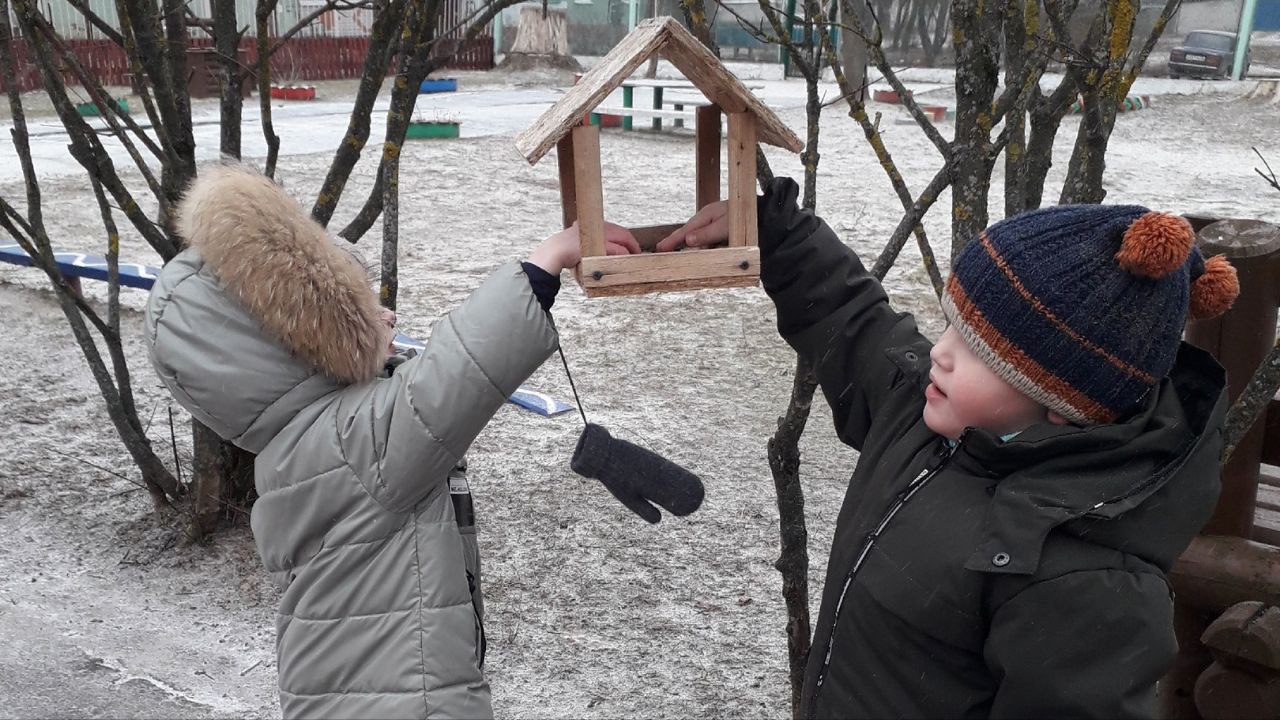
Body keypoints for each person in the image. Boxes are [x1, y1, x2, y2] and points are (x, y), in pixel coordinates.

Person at [657, 177, 1240, 718]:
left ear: (1061, 401)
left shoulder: (1086, 580)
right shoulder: (925, 414)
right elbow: (851, 316)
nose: (940, 352)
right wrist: (769, 229)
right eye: (949, 326)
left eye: (978, 351)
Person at [144, 163, 638, 719]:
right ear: (294, 346)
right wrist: (545, 262)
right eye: (351, 311)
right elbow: (451, 379)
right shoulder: (351, 445)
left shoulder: (297, 447)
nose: (388, 314)